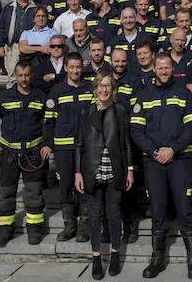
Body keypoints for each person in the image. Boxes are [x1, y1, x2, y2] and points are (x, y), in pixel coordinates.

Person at [130, 54, 192, 279]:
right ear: (153, 69)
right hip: (153, 162)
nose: (163, 71)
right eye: (160, 67)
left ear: (172, 69)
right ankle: (157, 258)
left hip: (180, 160)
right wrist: (154, 151)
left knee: (184, 208)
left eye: (167, 67)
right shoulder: (143, 95)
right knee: (158, 210)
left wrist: (173, 149)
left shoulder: (183, 93)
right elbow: (136, 130)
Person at [0, 62, 51, 247]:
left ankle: (35, 230)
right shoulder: (4, 97)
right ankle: (5, 231)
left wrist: (48, 144)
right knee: (6, 194)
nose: (23, 79)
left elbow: (51, 123)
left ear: (31, 75)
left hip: (34, 154)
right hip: (9, 155)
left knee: (33, 194)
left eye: (27, 75)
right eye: (20, 75)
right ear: (15, 75)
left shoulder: (40, 97)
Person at [75, 75, 134, 280]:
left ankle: (116, 254)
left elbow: (126, 143)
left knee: (114, 214)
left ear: (113, 89)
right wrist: (77, 173)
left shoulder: (120, 111)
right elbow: (79, 144)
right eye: (100, 85)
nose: (104, 89)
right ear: (95, 88)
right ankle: (96, 257)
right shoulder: (86, 111)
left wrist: (130, 170)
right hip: (91, 170)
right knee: (94, 215)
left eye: (108, 85)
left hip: (114, 169)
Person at [45, 53, 94, 244]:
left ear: (82, 68)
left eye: (78, 67)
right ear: (65, 68)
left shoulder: (90, 89)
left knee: (83, 186)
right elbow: (49, 121)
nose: (75, 70)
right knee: (65, 185)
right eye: (71, 67)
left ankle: (84, 225)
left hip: (85, 147)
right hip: (63, 147)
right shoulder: (57, 91)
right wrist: (48, 143)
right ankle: (69, 224)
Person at [0, 0, 38, 85]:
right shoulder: (9, 8)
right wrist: (0, 45)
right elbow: (1, 27)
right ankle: (12, 98)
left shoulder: (36, 8)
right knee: (13, 77)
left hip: (31, 47)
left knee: (30, 76)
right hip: (13, 46)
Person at [18, 5, 54, 71]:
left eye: (43, 16)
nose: (41, 18)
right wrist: (41, 48)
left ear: (47, 18)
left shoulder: (53, 33)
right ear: (34, 18)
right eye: (38, 16)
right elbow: (22, 48)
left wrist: (29, 48)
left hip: (44, 66)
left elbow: (48, 49)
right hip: (28, 67)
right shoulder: (26, 33)